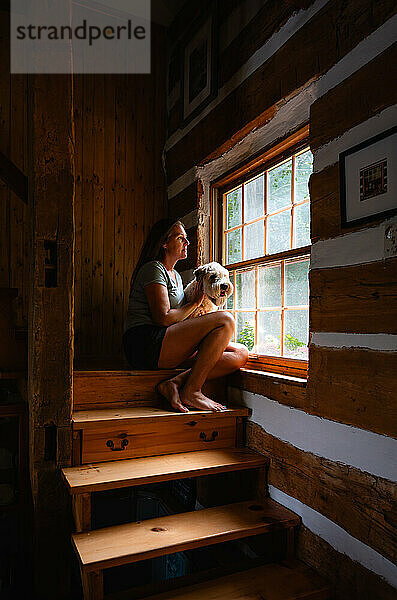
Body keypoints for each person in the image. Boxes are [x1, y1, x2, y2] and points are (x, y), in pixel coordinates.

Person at [122, 218, 248, 413]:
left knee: (240, 353)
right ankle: (192, 390)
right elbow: (162, 318)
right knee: (226, 319)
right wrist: (196, 303)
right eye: (181, 238)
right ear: (164, 243)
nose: (187, 243)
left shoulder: (177, 276)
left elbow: (180, 318)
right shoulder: (153, 269)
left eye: (186, 238)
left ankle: (174, 382)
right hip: (145, 343)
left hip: (167, 343)